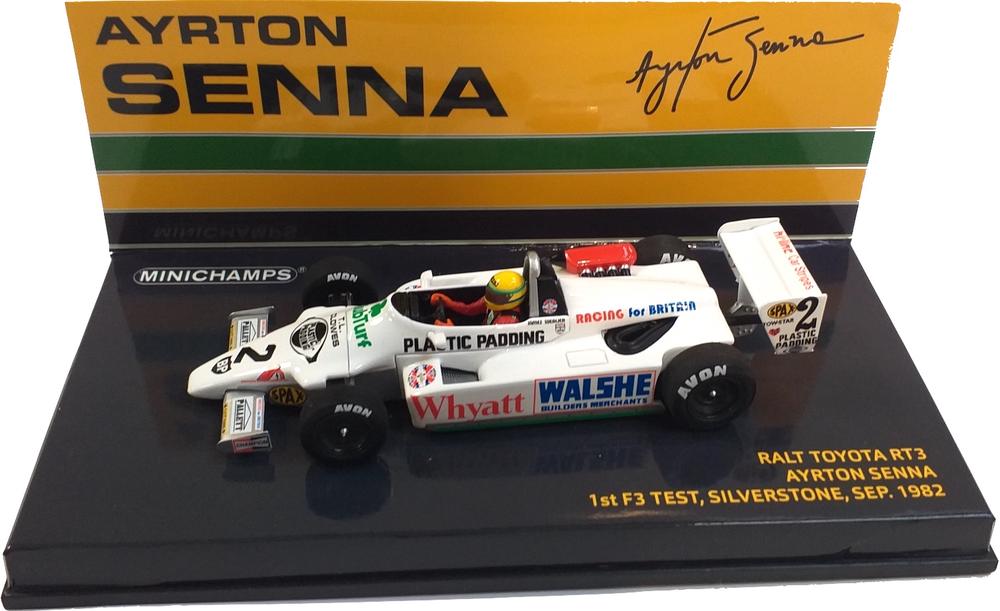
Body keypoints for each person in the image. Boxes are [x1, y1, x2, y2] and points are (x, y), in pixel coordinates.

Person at [431, 270, 525, 325]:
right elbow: (470, 309)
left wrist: (451, 332)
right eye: (490, 291)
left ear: (510, 298)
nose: (489, 297)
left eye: (495, 295)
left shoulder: (506, 322)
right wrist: (449, 303)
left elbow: (486, 344)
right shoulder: (492, 300)